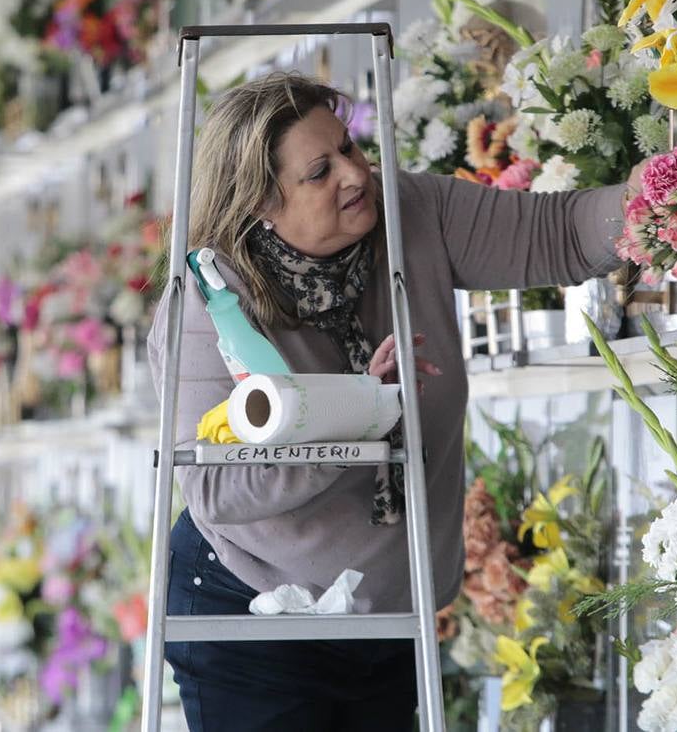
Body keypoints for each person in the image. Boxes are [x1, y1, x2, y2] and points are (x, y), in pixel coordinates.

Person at [148, 73, 637, 731]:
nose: (355, 174)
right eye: (320, 171)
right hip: (252, 612)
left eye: (350, 148)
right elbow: (221, 490)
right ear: (259, 201)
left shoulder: (409, 214)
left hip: (383, 615)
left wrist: (668, 196)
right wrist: (363, 410)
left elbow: (558, 233)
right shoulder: (209, 302)